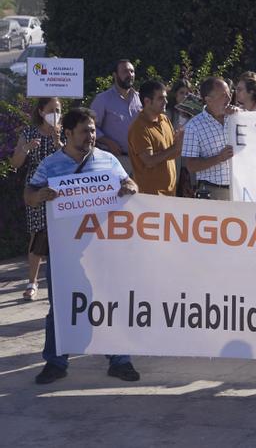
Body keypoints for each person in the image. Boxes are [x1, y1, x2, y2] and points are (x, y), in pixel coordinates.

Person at [25, 108, 140, 385]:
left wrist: (131, 187)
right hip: (66, 250)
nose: (91, 135)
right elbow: (29, 195)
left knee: (109, 301)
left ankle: (119, 360)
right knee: (61, 305)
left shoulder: (108, 160)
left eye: (92, 130)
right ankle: (55, 362)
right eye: (84, 131)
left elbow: (129, 181)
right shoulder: (51, 164)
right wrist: (39, 194)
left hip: (104, 249)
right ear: (67, 134)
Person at [11, 97, 62, 301]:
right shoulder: (29, 133)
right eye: (52, 110)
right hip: (36, 190)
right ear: (41, 112)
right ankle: (32, 282)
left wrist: (59, 142)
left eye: (58, 110)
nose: (56, 114)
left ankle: (60, 279)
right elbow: (15, 162)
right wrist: (26, 148)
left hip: (61, 190)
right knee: (38, 234)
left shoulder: (66, 132)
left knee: (62, 236)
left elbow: (73, 158)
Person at [181, 77, 239, 200]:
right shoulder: (194, 126)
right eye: (224, 95)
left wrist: (241, 115)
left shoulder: (236, 117)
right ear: (208, 100)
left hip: (239, 190)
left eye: (229, 94)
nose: (229, 99)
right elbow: (191, 165)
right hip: (212, 192)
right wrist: (219, 158)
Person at [128, 79, 184, 196]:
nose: (166, 101)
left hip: (170, 194)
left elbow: (172, 153)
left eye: (165, 97)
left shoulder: (165, 120)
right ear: (147, 101)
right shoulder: (139, 128)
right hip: (150, 198)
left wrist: (181, 143)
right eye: (160, 98)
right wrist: (175, 147)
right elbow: (149, 161)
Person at [91, 59, 142, 172]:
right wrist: (108, 142)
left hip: (139, 160)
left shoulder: (140, 99)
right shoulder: (103, 99)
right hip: (113, 160)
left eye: (132, 71)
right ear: (115, 75)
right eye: (125, 71)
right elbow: (91, 126)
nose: (130, 75)